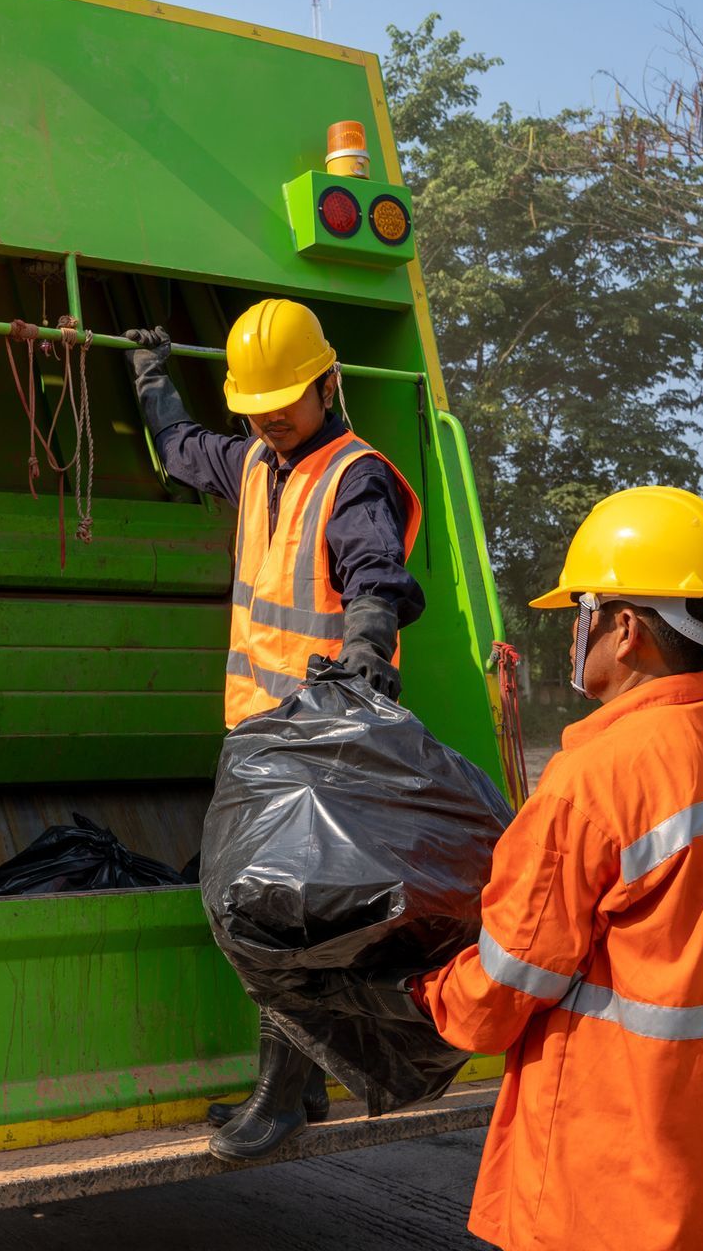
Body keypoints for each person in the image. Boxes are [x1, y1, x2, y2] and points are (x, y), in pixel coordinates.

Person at [410, 485, 703, 1251]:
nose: (571, 637)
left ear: (625, 628)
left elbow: (509, 980)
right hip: (702, 1153)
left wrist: (424, 991)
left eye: (580, 614)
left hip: (607, 1169)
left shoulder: (597, 778)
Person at [124, 298, 424, 1162]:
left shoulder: (352, 474)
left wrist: (368, 642)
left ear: (329, 384)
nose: (271, 418)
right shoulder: (256, 462)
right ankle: (306, 1083)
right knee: (284, 911)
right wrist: (152, 382)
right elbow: (183, 450)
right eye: (257, 406)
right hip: (264, 731)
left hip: (323, 736)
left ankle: (282, 1096)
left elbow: (375, 567)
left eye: (286, 401)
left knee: (273, 916)